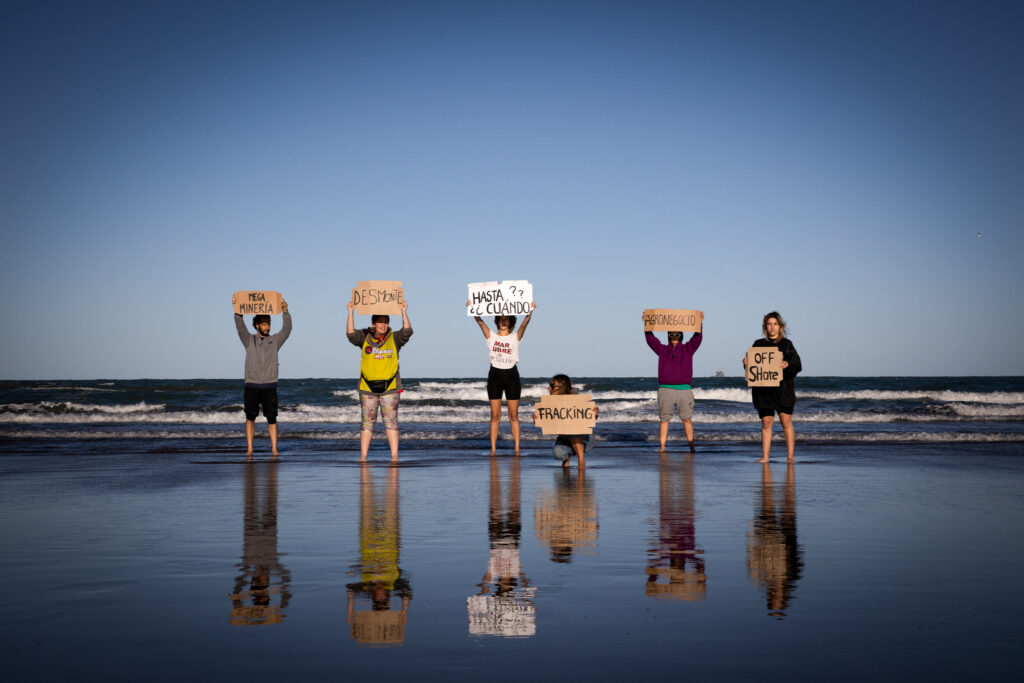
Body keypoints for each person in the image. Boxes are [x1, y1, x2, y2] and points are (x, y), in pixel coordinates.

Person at [347, 300, 413, 462]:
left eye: (385, 321)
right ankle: (363, 456)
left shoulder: (394, 338)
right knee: (367, 423)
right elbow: (350, 334)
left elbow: (408, 331)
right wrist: (350, 312)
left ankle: (395, 456)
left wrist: (404, 311)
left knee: (391, 422)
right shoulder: (364, 336)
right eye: (379, 322)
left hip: (390, 388)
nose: (383, 325)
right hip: (367, 389)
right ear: (373, 323)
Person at [469, 301, 536, 455]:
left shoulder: (515, 338)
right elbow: (479, 322)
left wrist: (530, 311)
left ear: (510, 322)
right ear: (498, 321)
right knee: (495, 416)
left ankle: (517, 448)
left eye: (506, 319)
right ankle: (493, 449)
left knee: (513, 416)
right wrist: (473, 308)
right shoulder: (491, 336)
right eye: (501, 319)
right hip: (495, 376)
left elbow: (525, 324)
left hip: (511, 376)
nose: (504, 321)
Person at [233, 295, 291, 459]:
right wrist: (238, 311)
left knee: (272, 418)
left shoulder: (275, 341)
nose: (268, 326)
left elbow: (287, 330)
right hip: (251, 385)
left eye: (269, 323)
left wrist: (285, 312)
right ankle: (250, 449)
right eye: (265, 324)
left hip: (269, 386)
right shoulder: (248, 340)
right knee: (250, 417)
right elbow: (240, 327)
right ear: (257, 325)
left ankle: (274, 449)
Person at [742, 311, 802, 462]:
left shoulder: (787, 345)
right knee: (766, 422)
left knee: (785, 421)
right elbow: (753, 371)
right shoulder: (758, 344)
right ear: (765, 327)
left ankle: (790, 456)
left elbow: (797, 365)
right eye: (769, 324)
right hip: (763, 391)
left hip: (783, 389)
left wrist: (787, 364)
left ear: (780, 326)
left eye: (775, 324)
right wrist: (746, 364)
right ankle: (765, 456)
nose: (772, 327)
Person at [644, 320, 703, 451]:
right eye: (671, 334)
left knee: (687, 419)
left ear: (681, 335)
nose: (674, 336)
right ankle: (662, 446)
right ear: (668, 335)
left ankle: (692, 446)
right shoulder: (663, 350)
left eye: (676, 334)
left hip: (684, 389)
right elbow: (650, 340)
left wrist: (698, 322)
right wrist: (647, 325)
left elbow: (697, 337)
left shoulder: (688, 348)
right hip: (665, 388)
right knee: (664, 419)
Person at [533, 374, 597, 469]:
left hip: (585, 440)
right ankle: (566, 459)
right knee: (558, 453)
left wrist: (594, 414)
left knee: (572, 430)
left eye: (552, 385)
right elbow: (550, 423)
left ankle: (581, 461)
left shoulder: (576, 400)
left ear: (562, 387)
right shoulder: (549, 403)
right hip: (565, 440)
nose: (548, 387)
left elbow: (586, 420)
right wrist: (537, 420)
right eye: (549, 384)